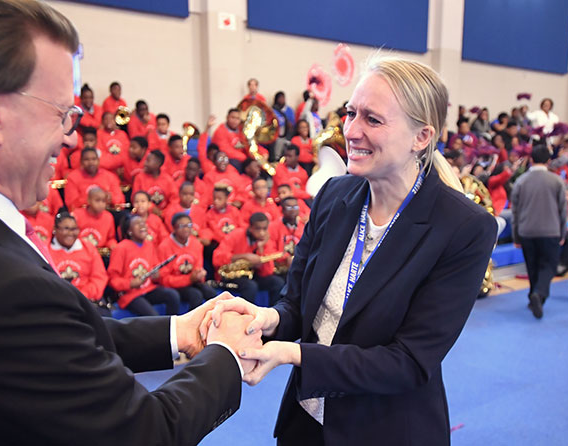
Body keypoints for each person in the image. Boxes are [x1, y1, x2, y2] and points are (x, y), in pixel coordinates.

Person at [0, 2, 262, 444]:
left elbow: (50, 340)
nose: (69, 136)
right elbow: (144, 433)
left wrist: (178, 331)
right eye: (61, 113)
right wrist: (225, 354)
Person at [204, 57, 497, 445]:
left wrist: (295, 356)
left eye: (372, 120)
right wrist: (267, 318)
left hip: (385, 429)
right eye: (350, 113)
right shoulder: (333, 195)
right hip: (305, 421)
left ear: (421, 137)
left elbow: (408, 362)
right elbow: (297, 305)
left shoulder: (463, 227)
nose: (352, 131)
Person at [511, 145, 567, 319]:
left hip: (526, 230)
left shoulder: (521, 181)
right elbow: (562, 210)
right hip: (550, 230)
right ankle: (539, 293)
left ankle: (533, 297)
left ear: (532, 159)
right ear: (549, 160)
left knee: (532, 265)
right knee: (549, 265)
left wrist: (516, 235)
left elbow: (515, 211)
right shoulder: (557, 181)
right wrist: (563, 233)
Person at [108, 214, 181, 316]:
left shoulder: (149, 245)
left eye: (143, 223)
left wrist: (156, 275)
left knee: (173, 295)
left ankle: (171, 328)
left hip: (148, 289)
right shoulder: (121, 248)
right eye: (137, 224)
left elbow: (155, 267)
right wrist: (130, 283)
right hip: (130, 295)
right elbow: (113, 280)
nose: (143, 226)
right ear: (129, 231)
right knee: (153, 316)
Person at [213, 212, 285, 305]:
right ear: (250, 227)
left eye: (264, 229)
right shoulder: (236, 235)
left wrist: (260, 248)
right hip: (231, 275)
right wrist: (244, 256)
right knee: (251, 286)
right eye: (258, 229)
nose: (262, 232)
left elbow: (267, 273)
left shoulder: (264, 240)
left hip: (251, 275)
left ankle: (272, 314)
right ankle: (245, 317)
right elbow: (217, 258)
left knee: (277, 282)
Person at [158, 213, 217, 309]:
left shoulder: (196, 243)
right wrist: (188, 279)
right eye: (182, 226)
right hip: (175, 284)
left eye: (189, 225)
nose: (186, 229)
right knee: (196, 295)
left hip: (191, 281)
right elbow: (164, 279)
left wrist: (199, 274)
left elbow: (198, 266)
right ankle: (191, 323)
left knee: (211, 293)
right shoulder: (164, 247)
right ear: (174, 228)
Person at [48, 212, 109, 305]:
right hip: (57, 301)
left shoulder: (88, 248)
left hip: (87, 299)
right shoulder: (45, 249)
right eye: (66, 229)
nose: (70, 233)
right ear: (55, 229)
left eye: (74, 229)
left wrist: (82, 294)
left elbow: (99, 278)